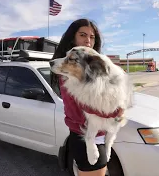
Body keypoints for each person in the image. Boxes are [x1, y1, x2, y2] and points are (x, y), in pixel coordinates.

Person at [50, 18, 124, 176]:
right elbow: (83, 110)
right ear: (73, 37)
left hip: (99, 134)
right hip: (84, 135)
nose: (88, 40)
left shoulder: (91, 65)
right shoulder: (70, 72)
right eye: (83, 35)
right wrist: (117, 111)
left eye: (92, 37)